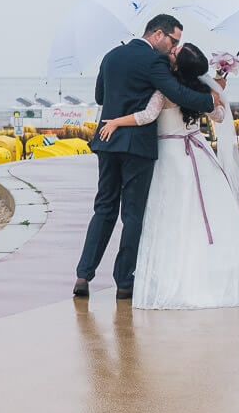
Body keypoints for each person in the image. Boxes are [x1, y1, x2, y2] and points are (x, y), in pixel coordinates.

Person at [95, 42, 239, 309]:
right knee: (200, 219)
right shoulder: (200, 91)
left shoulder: (165, 89)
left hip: (169, 154)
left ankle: (168, 277)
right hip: (198, 154)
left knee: (169, 217)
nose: (169, 53)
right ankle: (206, 273)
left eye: (174, 54)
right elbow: (220, 116)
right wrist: (216, 95)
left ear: (177, 65)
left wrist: (115, 121)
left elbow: (147, 116)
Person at [72, 15, 218, 301]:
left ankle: (83, 276)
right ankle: (124, 282)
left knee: (103, 209)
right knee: (132, 215)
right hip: (137, 146)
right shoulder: (155, 62)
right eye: (173, 41)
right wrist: (211, 100)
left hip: (107, 141)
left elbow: (101, 96)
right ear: (158, 34)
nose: (174, 47)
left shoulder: (111, 56)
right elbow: (175, 92)